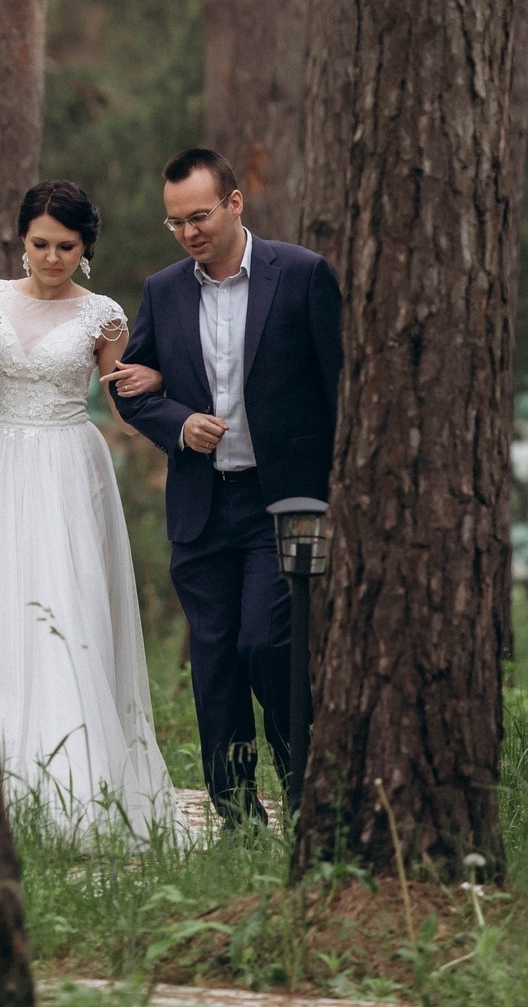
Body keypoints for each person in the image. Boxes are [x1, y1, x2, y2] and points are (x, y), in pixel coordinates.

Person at [0, 180, 179, 843]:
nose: (52, 256)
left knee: (67, 607)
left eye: (66, 245)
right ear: (22, 239)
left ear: (85, 247)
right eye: (40, 243)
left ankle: (79, 788)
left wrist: (159, 384)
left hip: (70, 466)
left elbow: (125, 406)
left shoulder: (104, 316)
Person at [103, 148, 341, 826]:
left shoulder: (300, 275)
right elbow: (131, 386)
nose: (188, 232)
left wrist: (335, 495)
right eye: (175, 222)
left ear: (235, 203)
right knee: (213, 667)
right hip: (201, 507)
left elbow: (338, 389)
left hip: (283, 503)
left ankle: (305, 795)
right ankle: (237, 820)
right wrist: (180, 422)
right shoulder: (163, 289)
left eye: (199, 216)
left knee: (266, 644)